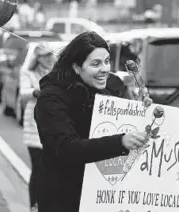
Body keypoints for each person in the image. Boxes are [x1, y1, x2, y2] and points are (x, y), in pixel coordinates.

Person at [34, 31, 150, 212]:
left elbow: (129, 129)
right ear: (76, 67)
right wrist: (120, 142)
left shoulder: (110, 89)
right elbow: (67, 148)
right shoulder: (51, 100)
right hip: (64, 200)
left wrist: (142, 111)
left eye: (107, 61)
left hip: (102, 199)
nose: (104, 69)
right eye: (95, 63)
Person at [21, 45, 57, 212]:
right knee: (38, 167)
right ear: (38, 58)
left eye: (50, 54)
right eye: (45, 56)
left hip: (52, 127)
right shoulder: (28, 73)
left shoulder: (56, 74)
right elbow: (23, 93)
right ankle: (34, 205)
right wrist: (36, 92)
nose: (49, 58)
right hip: (33, 125)